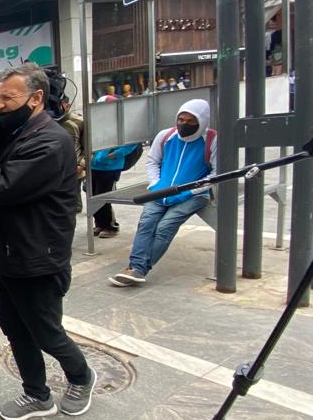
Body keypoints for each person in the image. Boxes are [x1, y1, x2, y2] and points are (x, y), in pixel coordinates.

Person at [0, 63, 95, 420]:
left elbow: (1, 185)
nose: (1, 106)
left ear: (37, 98)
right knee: (14, 328)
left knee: (46, 332)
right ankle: (36, 394)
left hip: (37, 256)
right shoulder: (11, 132)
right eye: (0, 97)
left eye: (9, 98)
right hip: (6, 251)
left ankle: (81, 377)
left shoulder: (50, 140)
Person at [109, 99, 216, 287]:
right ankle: (136, 267)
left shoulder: (212, 140)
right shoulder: (166, 136)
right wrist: (156, 183)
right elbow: (153, 161)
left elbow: (217, 172)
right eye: (181, 119)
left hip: (193, 195)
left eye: (191, 121)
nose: (184, 124)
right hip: (161, 191)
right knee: (146, 223)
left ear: (202, 120)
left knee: (165, 227)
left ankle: (138, 268)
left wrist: (194, 189)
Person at [89, 143, 141, 238]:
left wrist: (115, 154)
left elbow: (132, 143)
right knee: (93, 197)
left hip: (111, 167)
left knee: (103, 197)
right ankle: (99, 224)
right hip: (94, 165)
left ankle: (110, 227)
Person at [58, 99, 85, 213]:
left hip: (75, 169)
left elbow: (89, 147)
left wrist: (81, 165)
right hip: (54, 169)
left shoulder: (79, 122)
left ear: (67, 105)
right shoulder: (46, 121)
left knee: (73, 204)